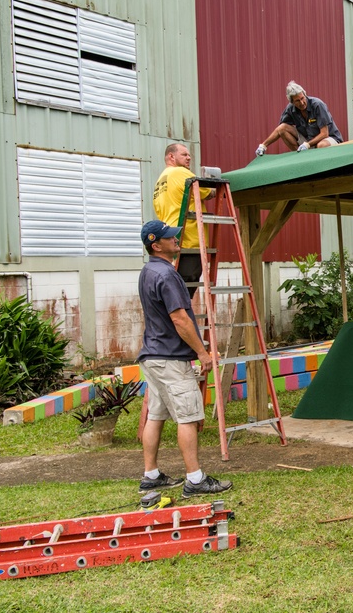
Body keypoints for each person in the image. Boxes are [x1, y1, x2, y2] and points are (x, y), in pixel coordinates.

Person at [137, 220, 232, 498]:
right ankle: (195, 479)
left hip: (152, 356)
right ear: (156, 245)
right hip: (171, 359)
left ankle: (151, 475)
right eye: (170, 238)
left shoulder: (147, 271)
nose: (176, 240)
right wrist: (202, 353)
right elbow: (179, 318)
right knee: (188, 417)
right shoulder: (167, 275)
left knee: (156, 415)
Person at [152, 143, 213, 298]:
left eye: (189, 155)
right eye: (184, 155)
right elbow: (206, 192)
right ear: (171, 156)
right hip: (189, 240)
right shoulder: (181, 173)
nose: (189, 158)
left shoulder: (159, 182)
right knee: (183, 294)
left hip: (170, 239)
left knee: (173, 289)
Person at [255, 81, 343, 156]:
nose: (302, 103)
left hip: (329, 138)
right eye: (297, 101)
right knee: (282, 128)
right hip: (308, 142)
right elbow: (279, 130)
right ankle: (301, 157)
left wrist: (307, 145)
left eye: (302, 98)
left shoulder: (317, 105)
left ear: (305, 94)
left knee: (321, 145)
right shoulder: (290, 109)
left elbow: (324, 133)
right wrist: (263, 145)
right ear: (292, 102)